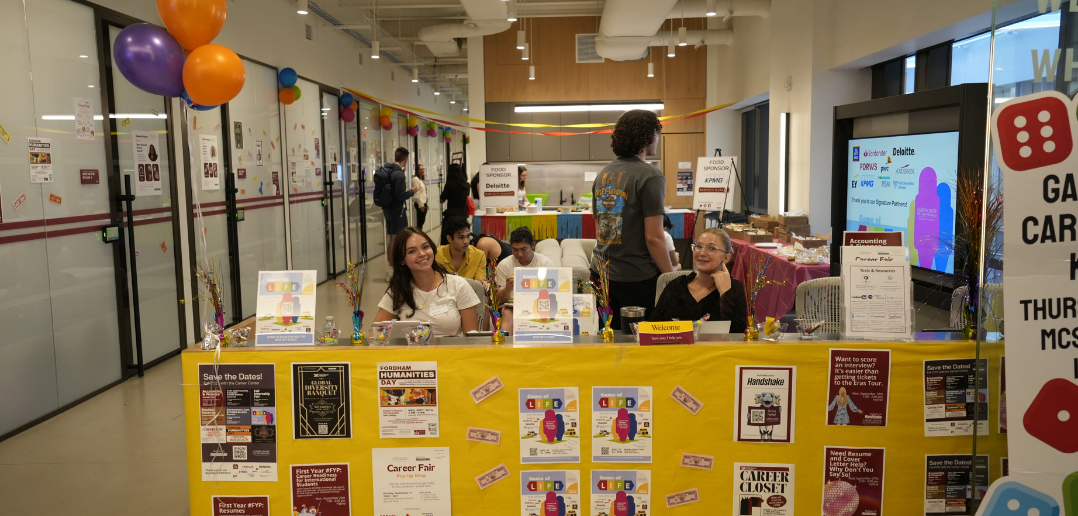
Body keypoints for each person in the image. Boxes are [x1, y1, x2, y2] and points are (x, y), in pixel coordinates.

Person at [591, 109, 674, 329]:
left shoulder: (603, 174)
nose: (657, 138)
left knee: (610, 339)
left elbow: (599, 227)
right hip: (636, 277)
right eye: (656, 133)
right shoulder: (650, 175)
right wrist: (671, 277)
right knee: (642, 342)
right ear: (646, 137)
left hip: (601, 273)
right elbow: (654, 237)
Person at [373, 227, 480, 337]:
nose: (422, 254)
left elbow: (471, 339)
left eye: (425, 247)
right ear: (402, 260)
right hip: (414, 352)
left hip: (453, 352)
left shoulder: (458, 285)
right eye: (412, 251)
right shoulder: (399, 290)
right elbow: (375, 333)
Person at [648, 228, 747, 332]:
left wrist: (725, 293)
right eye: (698, 246)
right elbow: (652, 327)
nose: (702, 253)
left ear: (726, 258)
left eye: (711, 248)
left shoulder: (735, 288)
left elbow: (738, 334)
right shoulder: (676, 285)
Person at [495, 227, 554, 334]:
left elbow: (553, 294)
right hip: (512, 306)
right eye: (515, 250)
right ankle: (505, 346)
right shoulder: (504, 265)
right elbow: (497, 301)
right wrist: (508, 288)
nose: (519, 254)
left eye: (523, 249)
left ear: (533, 245)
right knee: (508, 312)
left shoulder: (545, 264)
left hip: (539, 304)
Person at [376, 147, 420, 276]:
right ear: (405, 159)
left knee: (392, 239)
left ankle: (391, 268)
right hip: (397, 211)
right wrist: (412, 191)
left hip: (388, 209)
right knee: (397, 240)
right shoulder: (399, 174)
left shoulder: (387, 170)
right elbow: (400, 196)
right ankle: (393, 269)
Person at [436, 217, 489, 283]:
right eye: (461, 237)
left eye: (468, 236)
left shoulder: (479, 255)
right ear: (449, 238)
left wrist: (482, 283)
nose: (466, 241)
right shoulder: (437, 254)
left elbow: (479, 284)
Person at [440, 162, 470, 244]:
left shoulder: (449, 184)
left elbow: (442, 200)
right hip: (462, 214)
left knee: (448, 237)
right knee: (462, 236)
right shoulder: (466, 185)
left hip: (451, 215)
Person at [413, 164, 428, 230]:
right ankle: (418, 236)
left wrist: (426, 203)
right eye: (421, 169)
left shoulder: (421, 180)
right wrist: (421, 205)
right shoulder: (415, 179)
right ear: (417, 171)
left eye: (423, 169)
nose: (423, 170)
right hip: (419, 204)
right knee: (420, 223)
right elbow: (417, 193)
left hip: (424, 203)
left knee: (422, 222)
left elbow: (423, 193)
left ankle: (419, 235)